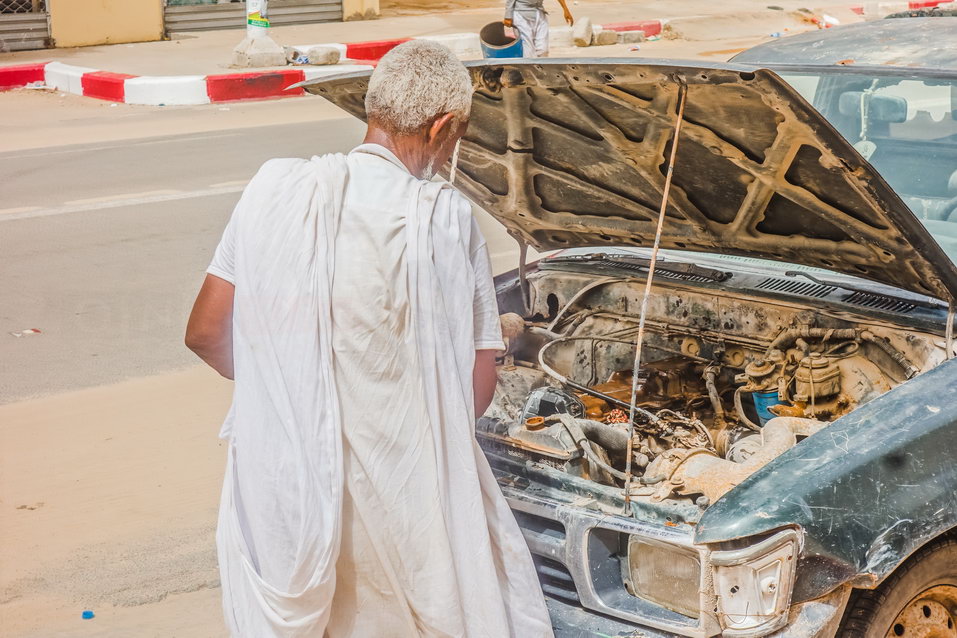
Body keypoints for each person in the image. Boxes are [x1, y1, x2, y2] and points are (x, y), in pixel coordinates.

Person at [184, 40, 554, 638]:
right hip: (401, 514)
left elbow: (204, 332)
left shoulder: (274, 191)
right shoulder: (445, 218)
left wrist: (286, 388)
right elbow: (475, 388)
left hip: (285, 502)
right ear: (441, 128)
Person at [503, 0, 573, 58]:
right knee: (528, 49)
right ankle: (528, 72)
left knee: (543, 49)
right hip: (521, 14)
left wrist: (565, 9)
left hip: (539, 12)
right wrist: (508, 16)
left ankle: (541, 71)